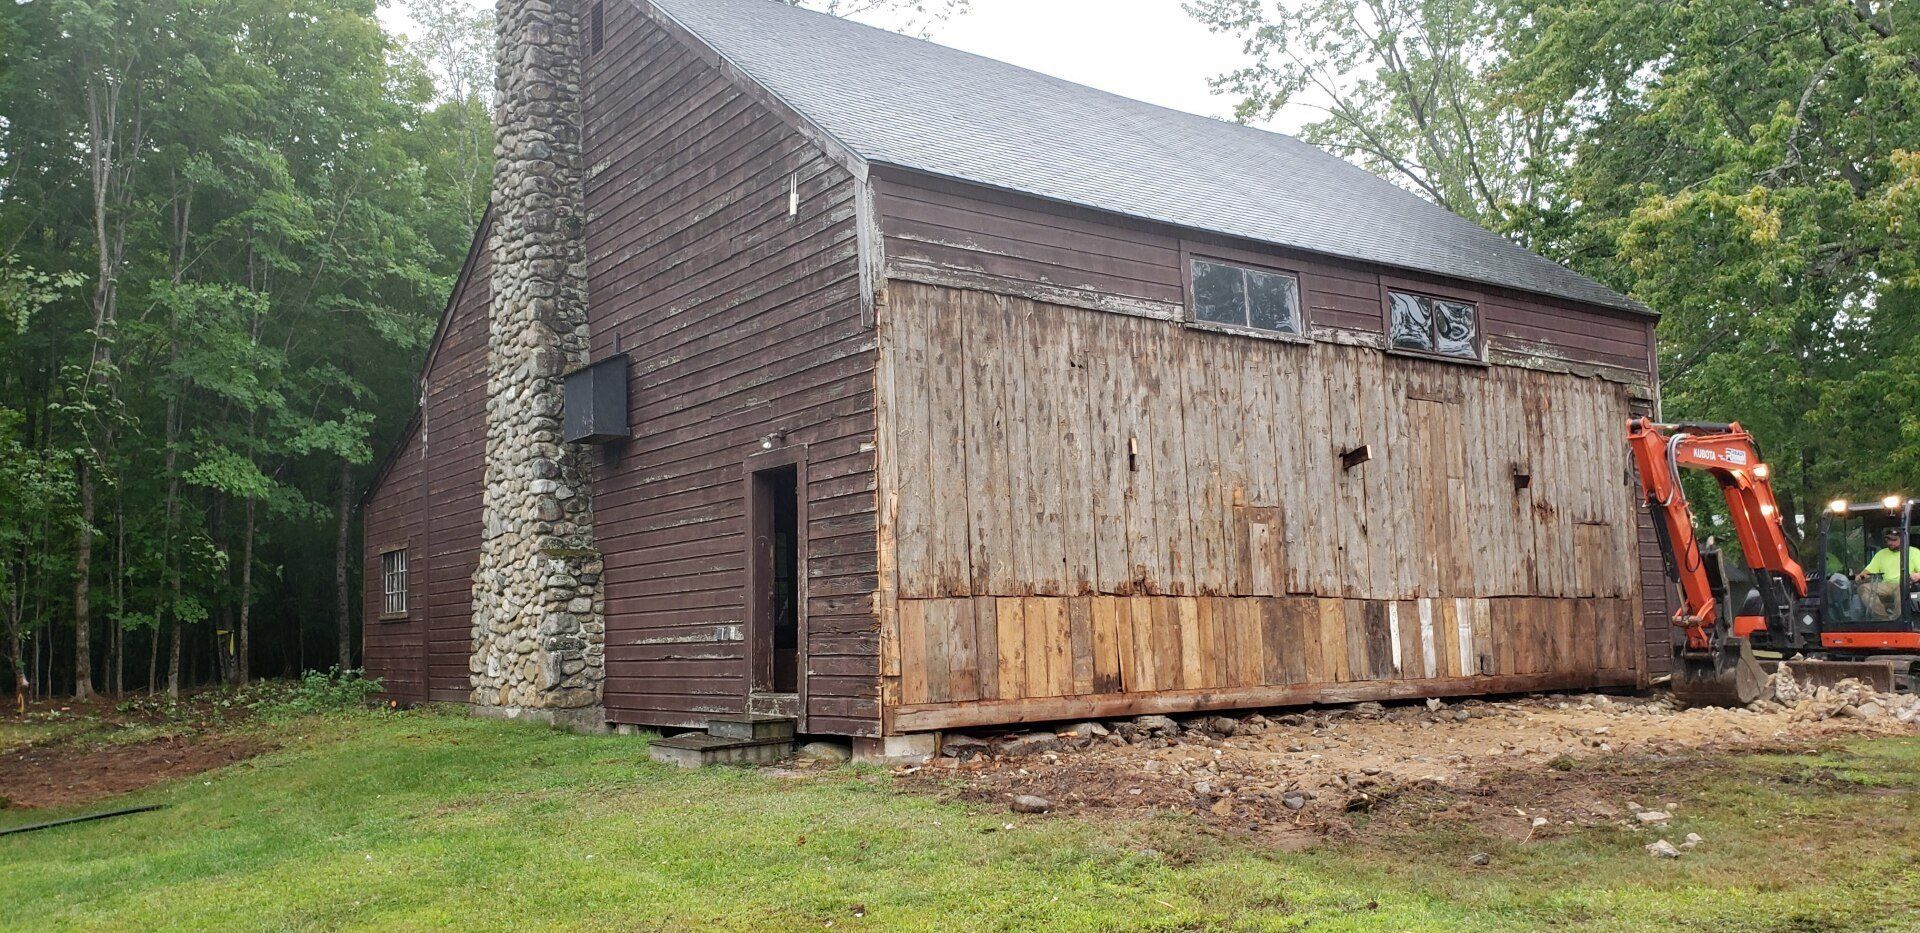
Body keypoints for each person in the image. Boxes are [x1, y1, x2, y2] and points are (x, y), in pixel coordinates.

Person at [1856, 528, 1920, 617]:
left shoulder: (1914, 552)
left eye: (1894, 540)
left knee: (1901, 588)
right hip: (1886, 585)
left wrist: (1917, 575)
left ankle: (1898, 620)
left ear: (1903, 539)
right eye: (1888, 539)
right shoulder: (1881, 554)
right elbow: (1866, 572)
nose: (1890, 542)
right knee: (1863, 588)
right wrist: (1861, 577)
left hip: (1905, 583)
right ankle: (1884, 618)